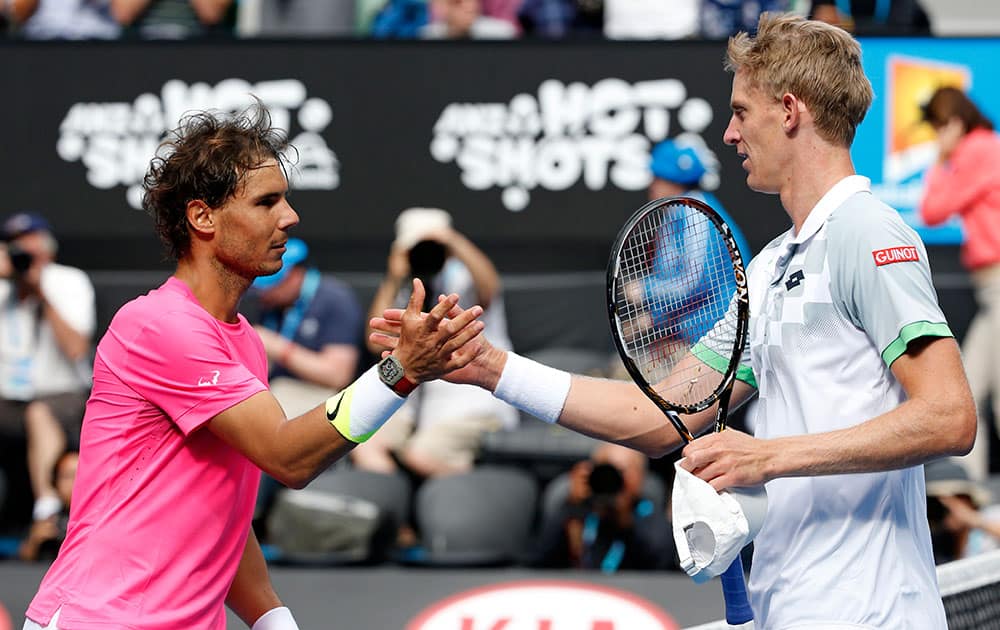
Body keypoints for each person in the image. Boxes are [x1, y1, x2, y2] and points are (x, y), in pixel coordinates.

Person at [372, 13, 976, 628]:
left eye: (741, 111)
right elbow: (658, 414)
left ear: (789, 111)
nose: (730, 133)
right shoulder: (769, 268)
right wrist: (491, 368)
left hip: (870, 612)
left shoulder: (868, 233)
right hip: (788, 606)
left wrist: (768, 456)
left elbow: (949, 416)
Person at [22, 105, 485, 630]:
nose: (289, 217)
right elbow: (289, 458)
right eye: (267, 202)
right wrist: (401, 369)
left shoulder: (242, 343)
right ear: (203, 217)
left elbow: (218, 513)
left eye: (285, 199)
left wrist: (273, 621)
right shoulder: (158, 325)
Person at [353, 207, 518, 480]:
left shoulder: (465, 278)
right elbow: (375, 339)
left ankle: (488, 482)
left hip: (472, 402)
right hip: (416, 406)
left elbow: (489, 288)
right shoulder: (406, 285)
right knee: (365, 444)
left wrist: (451, 242)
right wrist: (394, 277)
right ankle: (397, 517)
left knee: (421, 456)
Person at [919, 86, 1000, 483]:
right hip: (992, 294)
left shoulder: (979, 150)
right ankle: (968, 500)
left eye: (938, 128)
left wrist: (940, 159)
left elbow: (933, 210)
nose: (937, 137)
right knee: (971, 394)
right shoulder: (985, 148)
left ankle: (969, 498)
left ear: (952, 123)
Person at [0, 213, 95, 532]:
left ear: (47, 248)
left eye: (28, 243)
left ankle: (46, 514)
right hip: (7, 400)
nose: (21, 253)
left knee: (39, 413)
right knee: (30, 411)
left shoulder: (68, 281)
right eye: (13, 246)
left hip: (63, 395)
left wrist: (39, 293)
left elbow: (76, 348)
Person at [251, 237, 364, 418]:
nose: (263, 294)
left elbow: (338, 376)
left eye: (272, 284)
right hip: (278, 388)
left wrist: (279, 349)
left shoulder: (336, 299)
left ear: (295, 275)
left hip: (325, 395)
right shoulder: (272, 303)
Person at [530, 442, 675, 572]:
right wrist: (571, 507)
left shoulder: (647, 511)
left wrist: (625, 521)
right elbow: (540, 560)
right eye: (605, 468)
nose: (611, 477)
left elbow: (662, 563)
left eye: (622, 471)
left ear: (640, 477)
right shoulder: (578, 510)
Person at [925, 458, 1000, 564]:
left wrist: (972, 518)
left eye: (955, 497)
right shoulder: (938, 541)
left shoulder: (991, 516)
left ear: (968, 498)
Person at [18, 450, 77, 563]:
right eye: (67, 476)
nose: (73, 482)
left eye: (78, 475)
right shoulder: (48, 521)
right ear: (55, 482)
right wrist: (34, 541)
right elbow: (20, 563)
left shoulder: (104, 519)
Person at [419, 0, 517, 39]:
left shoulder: (502, 33)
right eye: (458, 2)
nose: (470, 7)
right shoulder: (427, 36)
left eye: (473, 1)